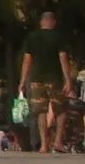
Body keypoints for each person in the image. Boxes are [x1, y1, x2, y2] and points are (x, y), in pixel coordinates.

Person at [16, 11, 73, 156]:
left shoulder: (32, 37)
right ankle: (58, 141)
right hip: (54, 79)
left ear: (41, 22)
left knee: (41, 111)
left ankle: (43, 145)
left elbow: (27, 60)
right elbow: (63, 58)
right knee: (60, 110)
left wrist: (22, 81)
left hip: (36, 80)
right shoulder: (58, 37)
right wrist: (68, 79)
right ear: (53, 22)